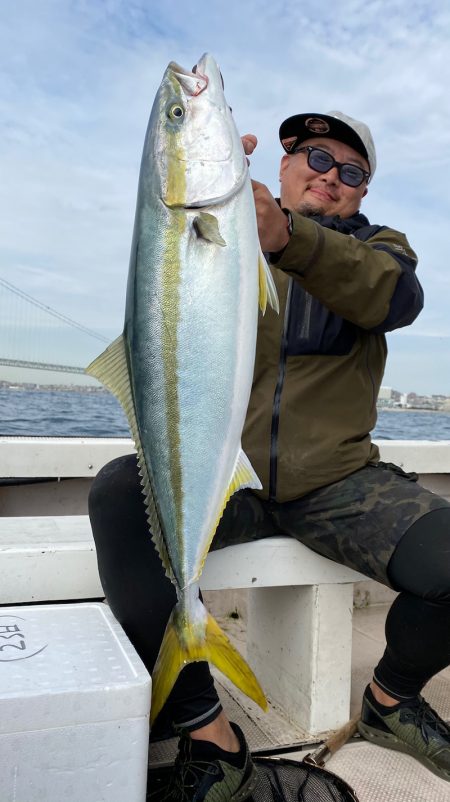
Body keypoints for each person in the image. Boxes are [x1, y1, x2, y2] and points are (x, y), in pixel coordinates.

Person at [89, 111, 450, 800]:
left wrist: (289, 238)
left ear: (363, 191)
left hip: (340, 483)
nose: (331, 176)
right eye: (316, 157)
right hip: (233, 479)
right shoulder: (226, 236)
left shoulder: (380, 248)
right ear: (281, 166)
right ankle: (208, 731)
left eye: (351, 171)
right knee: (117, 492)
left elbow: (394, 297)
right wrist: (223, 192)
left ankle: (390, 701)